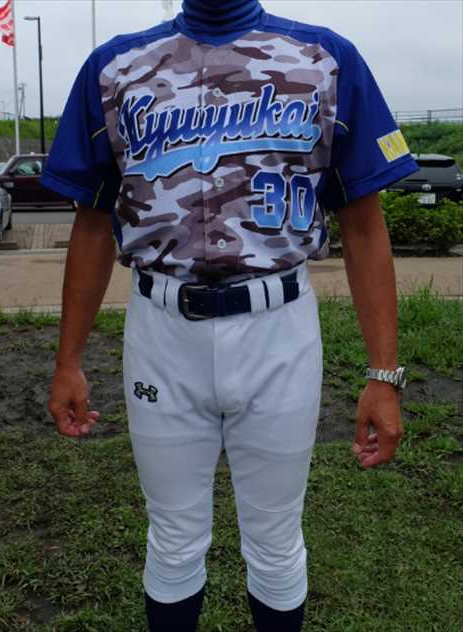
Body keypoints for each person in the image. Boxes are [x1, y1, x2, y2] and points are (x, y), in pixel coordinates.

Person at [41, 1, 418, 629]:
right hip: (161, 327)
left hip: (279, 326)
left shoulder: (327, 58)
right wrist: (68, 361)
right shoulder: (115, 66)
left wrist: (385, 374)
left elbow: (363, 222)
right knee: (172, 537)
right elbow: (92, 223)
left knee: (276, 540)